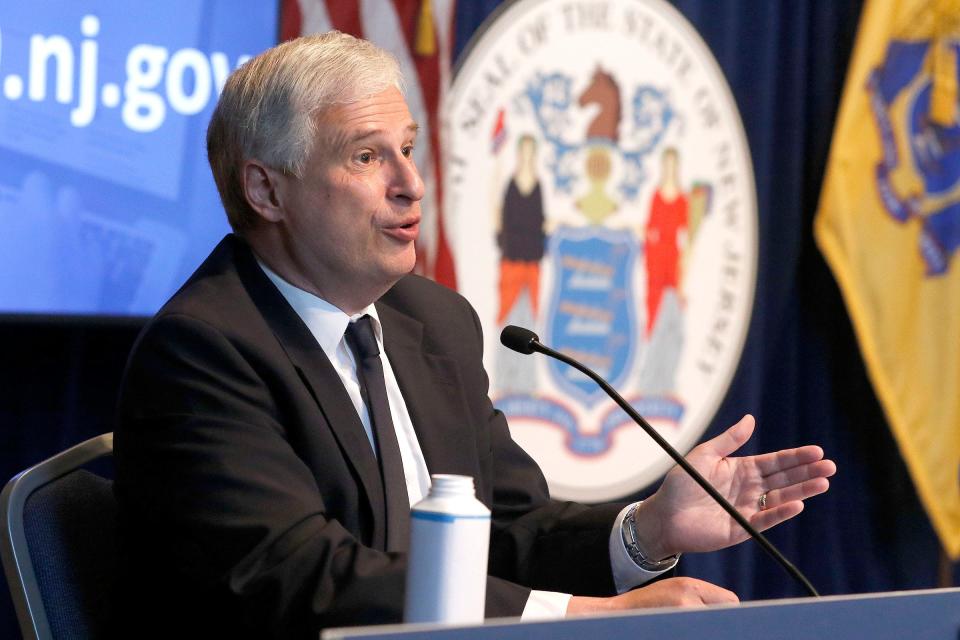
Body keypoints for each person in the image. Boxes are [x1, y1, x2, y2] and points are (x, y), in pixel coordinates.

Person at [114, 32, 836, 639]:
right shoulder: (203, 353)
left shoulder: (430, 323)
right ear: (267, 190)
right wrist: (583, 617)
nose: (411, 183)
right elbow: (300, 578)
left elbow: (505, 534)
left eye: (407, 148)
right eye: (368, 157)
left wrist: (648, 530)